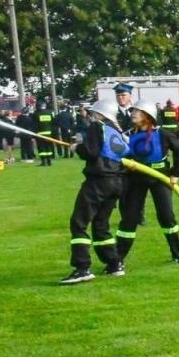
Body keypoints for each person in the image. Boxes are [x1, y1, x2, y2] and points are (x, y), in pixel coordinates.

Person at [60, 99, 129, 284]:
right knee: (100, 224)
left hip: (98, 181)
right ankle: (114, 264)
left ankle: (82, 267)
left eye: (92, 113)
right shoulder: (116, 132)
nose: (90, 116)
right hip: (116, 183)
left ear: (99, 114)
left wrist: (78, 148)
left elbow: (91, 151)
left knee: (79, 222)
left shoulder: (97, 127)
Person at [116, 103, 179, 267]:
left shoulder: (162, 134)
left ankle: (177, 254)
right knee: (129, 219)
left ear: (147, 116)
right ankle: (117, 259)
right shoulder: (128, 135)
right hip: (136, 180)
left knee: (166, 217)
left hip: (160, 178)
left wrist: (176, 174)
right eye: (133, 111)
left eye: (137, 111)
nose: (133, 113)